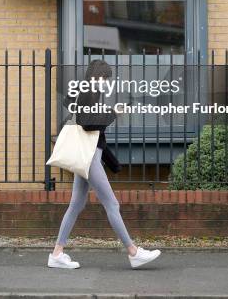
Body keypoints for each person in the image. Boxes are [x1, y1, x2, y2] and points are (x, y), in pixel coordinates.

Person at [48, 59, 161, 270]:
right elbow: (86, 121)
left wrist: (112, 162)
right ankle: (133, 252)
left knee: (76, 204)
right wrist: (113, 113)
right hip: (89, 158)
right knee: (112, 204)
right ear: (96, 75)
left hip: (89, 155)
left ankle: (57, 253)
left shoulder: (84, 90)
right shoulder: (90, 90)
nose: (105, 82)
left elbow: (92, 133)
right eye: (104, 77)